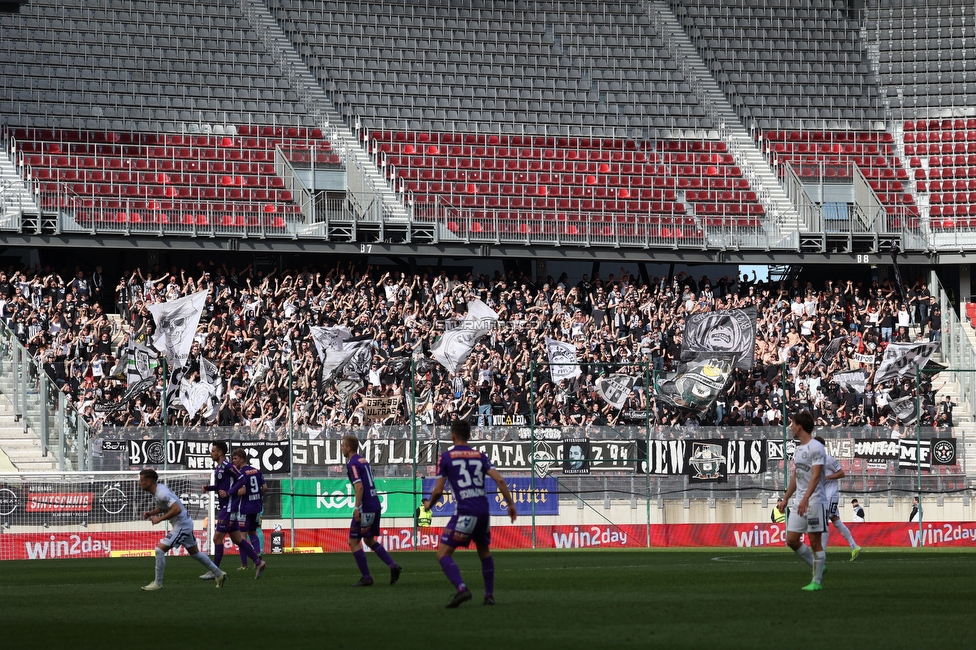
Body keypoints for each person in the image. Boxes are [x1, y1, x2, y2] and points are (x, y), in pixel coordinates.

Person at [424, 420, 518, 608]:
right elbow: (499, 480)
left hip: (465, 510)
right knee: (484, 551)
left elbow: (438, 491)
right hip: (484, 509)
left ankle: (461, 588)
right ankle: (489, 595)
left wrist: (428, 505)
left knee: (443, 554)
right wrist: (510, 504)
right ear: (469, 436)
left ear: (452, 436)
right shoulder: (480, 456)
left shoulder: (446, 457)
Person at [139, 468, 226, 591]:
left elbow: (176, 509)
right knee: (195, 553)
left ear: (148, 482)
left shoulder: (161, 493)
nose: (139, 483)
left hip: (182, 525)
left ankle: (157, 583)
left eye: (141, 480)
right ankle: (219, 574)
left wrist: (159, 519)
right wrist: (151, 513)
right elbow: (164, 506)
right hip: (184, 523)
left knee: (159, 550)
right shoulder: (159, 491)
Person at [342, 434, 402, 587]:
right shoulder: (364, 461)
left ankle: (367, 577)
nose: (341, 448)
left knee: (353, 541)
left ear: (348, 448)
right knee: (368, 540)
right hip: (375, 503)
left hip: (365, 507)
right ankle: (393, 566)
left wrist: (356, 508)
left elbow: (359, 486)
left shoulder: (353, 464)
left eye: (343, 445)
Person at [776, 411, 827, 591]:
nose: (791, 427)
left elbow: (816, 475)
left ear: (800, 426)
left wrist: (806, 498)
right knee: (791, 540)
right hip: (800, 501)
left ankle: (817, 582)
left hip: (814, 501)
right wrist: (786, 499)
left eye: (792, 424)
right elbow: (796, 477)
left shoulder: (816, 447)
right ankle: (818, 564)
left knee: (815, 542)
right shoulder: (798, 450)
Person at [198, 442, 264, 580]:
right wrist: (209, 488)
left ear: (220, 453)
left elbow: (242, 480)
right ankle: (258, 562)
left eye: (213, 451)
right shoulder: (219, 468)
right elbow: (220, 486)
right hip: (227, 507)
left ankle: (215, 571)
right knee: (237, 539)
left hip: (228, 508)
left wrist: (229, 493)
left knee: (217, 538)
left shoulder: (228, 466)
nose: (211, 453)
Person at [815, 436, 861, 561]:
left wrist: (828, 478)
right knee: (836, 521)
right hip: (824, 495)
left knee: (824, 522)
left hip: (831, 495)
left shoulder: (828, 459)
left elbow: (842, 473)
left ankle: (822, 554)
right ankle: (854, 546)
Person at [227, 448, 269, 579]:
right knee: (253, 532)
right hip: (257, 506)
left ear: (242, 459)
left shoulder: (241, 473)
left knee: (241, 537)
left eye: (235, 459)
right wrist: (257, 496)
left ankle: (244, 564)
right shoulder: (256, 471)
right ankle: (257, 554)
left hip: (245, 507)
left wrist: (231, 493)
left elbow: (242, 491)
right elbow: (265, 487)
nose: (233, 461)